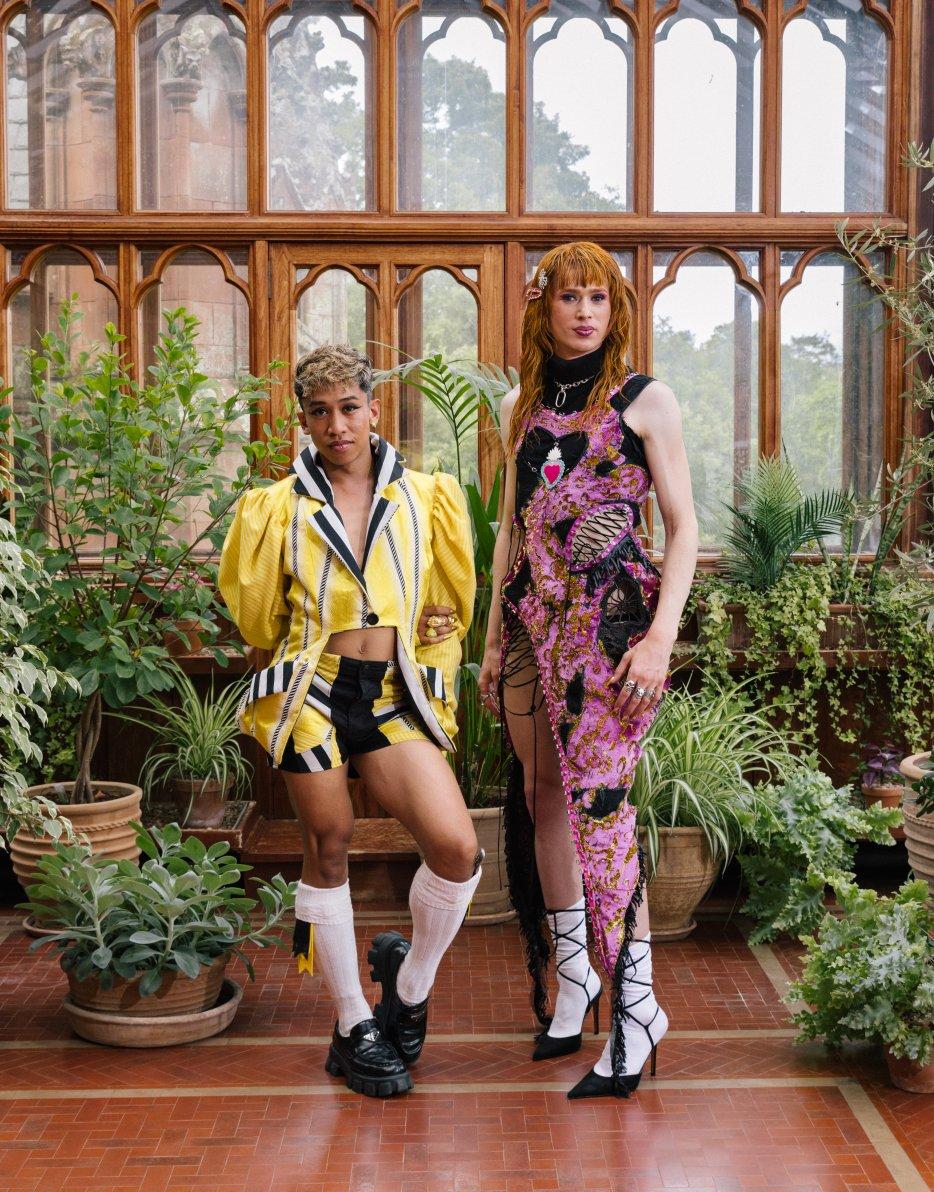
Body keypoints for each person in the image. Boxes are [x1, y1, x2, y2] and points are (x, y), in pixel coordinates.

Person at [219, 344, 480, 1099]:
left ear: (374, 409)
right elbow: (256, 616)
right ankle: (350, 1021)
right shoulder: (277, 507)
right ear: (304, 419)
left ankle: (408, 986)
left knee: (457, 847)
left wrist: (437, 628)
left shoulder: (427, 498)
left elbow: (445, 608)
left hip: (394, 691)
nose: (337, 424)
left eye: (349, 407)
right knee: (328, 843)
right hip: (314, 689)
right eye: (320, 411)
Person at [477, 242, 698, 1099]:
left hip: (612, 634)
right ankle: (577, 979)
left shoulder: (647, 402)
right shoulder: (517, 406)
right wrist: (496, 638)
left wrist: (660, 640)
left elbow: (682, 527)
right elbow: (509, 530)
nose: (583, 312)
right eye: (568, 297)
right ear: (544, 308)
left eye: (597, 298)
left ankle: (638, 1006)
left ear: (615, 310)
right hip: (534, 629)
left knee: (601, 806)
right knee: (542, 797)